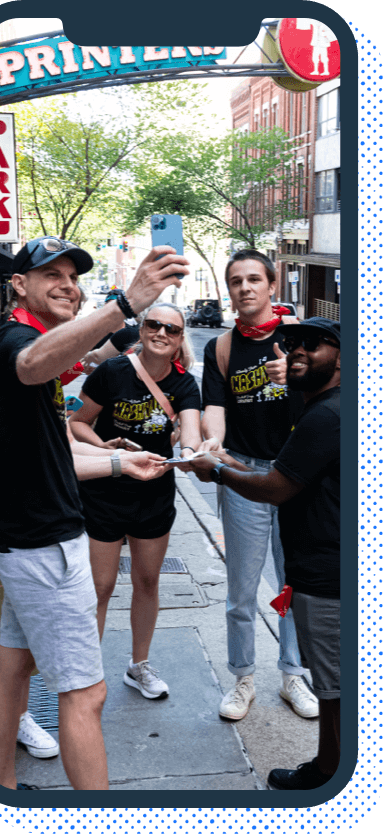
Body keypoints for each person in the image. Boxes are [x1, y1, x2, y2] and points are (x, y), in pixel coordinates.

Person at [0, 235, 189, 791]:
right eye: (51, 274)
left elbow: (54, 455)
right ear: (18, 285)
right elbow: (30, 364)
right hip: (47, 546)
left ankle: (0, 782)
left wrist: (121, 464)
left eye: (73, 277)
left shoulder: (40, 353)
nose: (67, 285)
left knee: (12, 664)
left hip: (26, 539)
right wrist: (126, 303)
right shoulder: (17, 343)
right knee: (86, 693)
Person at [189, 316, 340, 789]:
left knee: (335, 691)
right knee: (334, 689)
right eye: (293, 344)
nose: (297, 351)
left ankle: (330, 772)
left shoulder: (326, 414)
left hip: (327, 577)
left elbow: (278, 485)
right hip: (319, 565)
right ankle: (323, 766)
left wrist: (215, 473)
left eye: (314, 345)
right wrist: (228, 459)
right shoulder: (324, 408)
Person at [199, 249, 318, 721]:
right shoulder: (221, 348)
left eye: (254, 279)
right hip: (247, 475)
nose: (245, 287)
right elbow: (215, 409)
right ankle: (243, 677)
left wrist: (294, 375)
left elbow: (333, 398)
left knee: (297, 584)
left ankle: (293, 674)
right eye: (235, 281)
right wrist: (212, 447)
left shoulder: (305, 340)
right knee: (242, 590)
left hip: (298, 474)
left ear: (272, 285)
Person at [68, 302, 202, 699]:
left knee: (147, 581)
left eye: (171, 330)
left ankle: (138, 665)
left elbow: (191, 434)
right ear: (142, 329)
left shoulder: (183, 385)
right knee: (101, 586)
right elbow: (76, 422)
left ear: (179, 341)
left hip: (153, 496)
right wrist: (107, 449)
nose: (161, 333)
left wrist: (192, 453)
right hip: (104, 491)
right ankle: (87, 674)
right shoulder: (112, 372)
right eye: (154, 325)